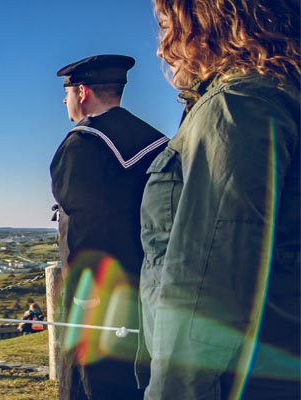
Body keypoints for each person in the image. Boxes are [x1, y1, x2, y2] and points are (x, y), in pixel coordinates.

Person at [140, 1, 300, 399]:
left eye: (167, 25)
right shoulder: (281, 95)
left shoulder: (237, 106)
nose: (162, 48)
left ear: (209, 21)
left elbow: (203, 288)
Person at [50, 54, 167, 400]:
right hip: (148, 288)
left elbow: (83, 235)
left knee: (91, 385)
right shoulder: (159, 142)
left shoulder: (83, 145)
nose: (64, 100)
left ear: (82, 92)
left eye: (66, 92)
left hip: (99, 301)